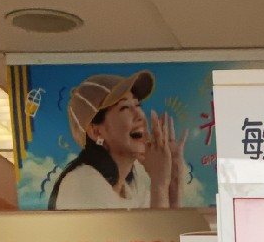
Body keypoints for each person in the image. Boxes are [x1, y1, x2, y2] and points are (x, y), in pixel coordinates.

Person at [47, 72, 181, 210]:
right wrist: (159, 184)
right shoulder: (81, 184)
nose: (140, 115)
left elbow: (168, 223)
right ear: (96, 132)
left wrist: (173, 182)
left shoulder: (133, 187)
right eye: (125, 107)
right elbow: (157, 225)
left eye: (138, 105)